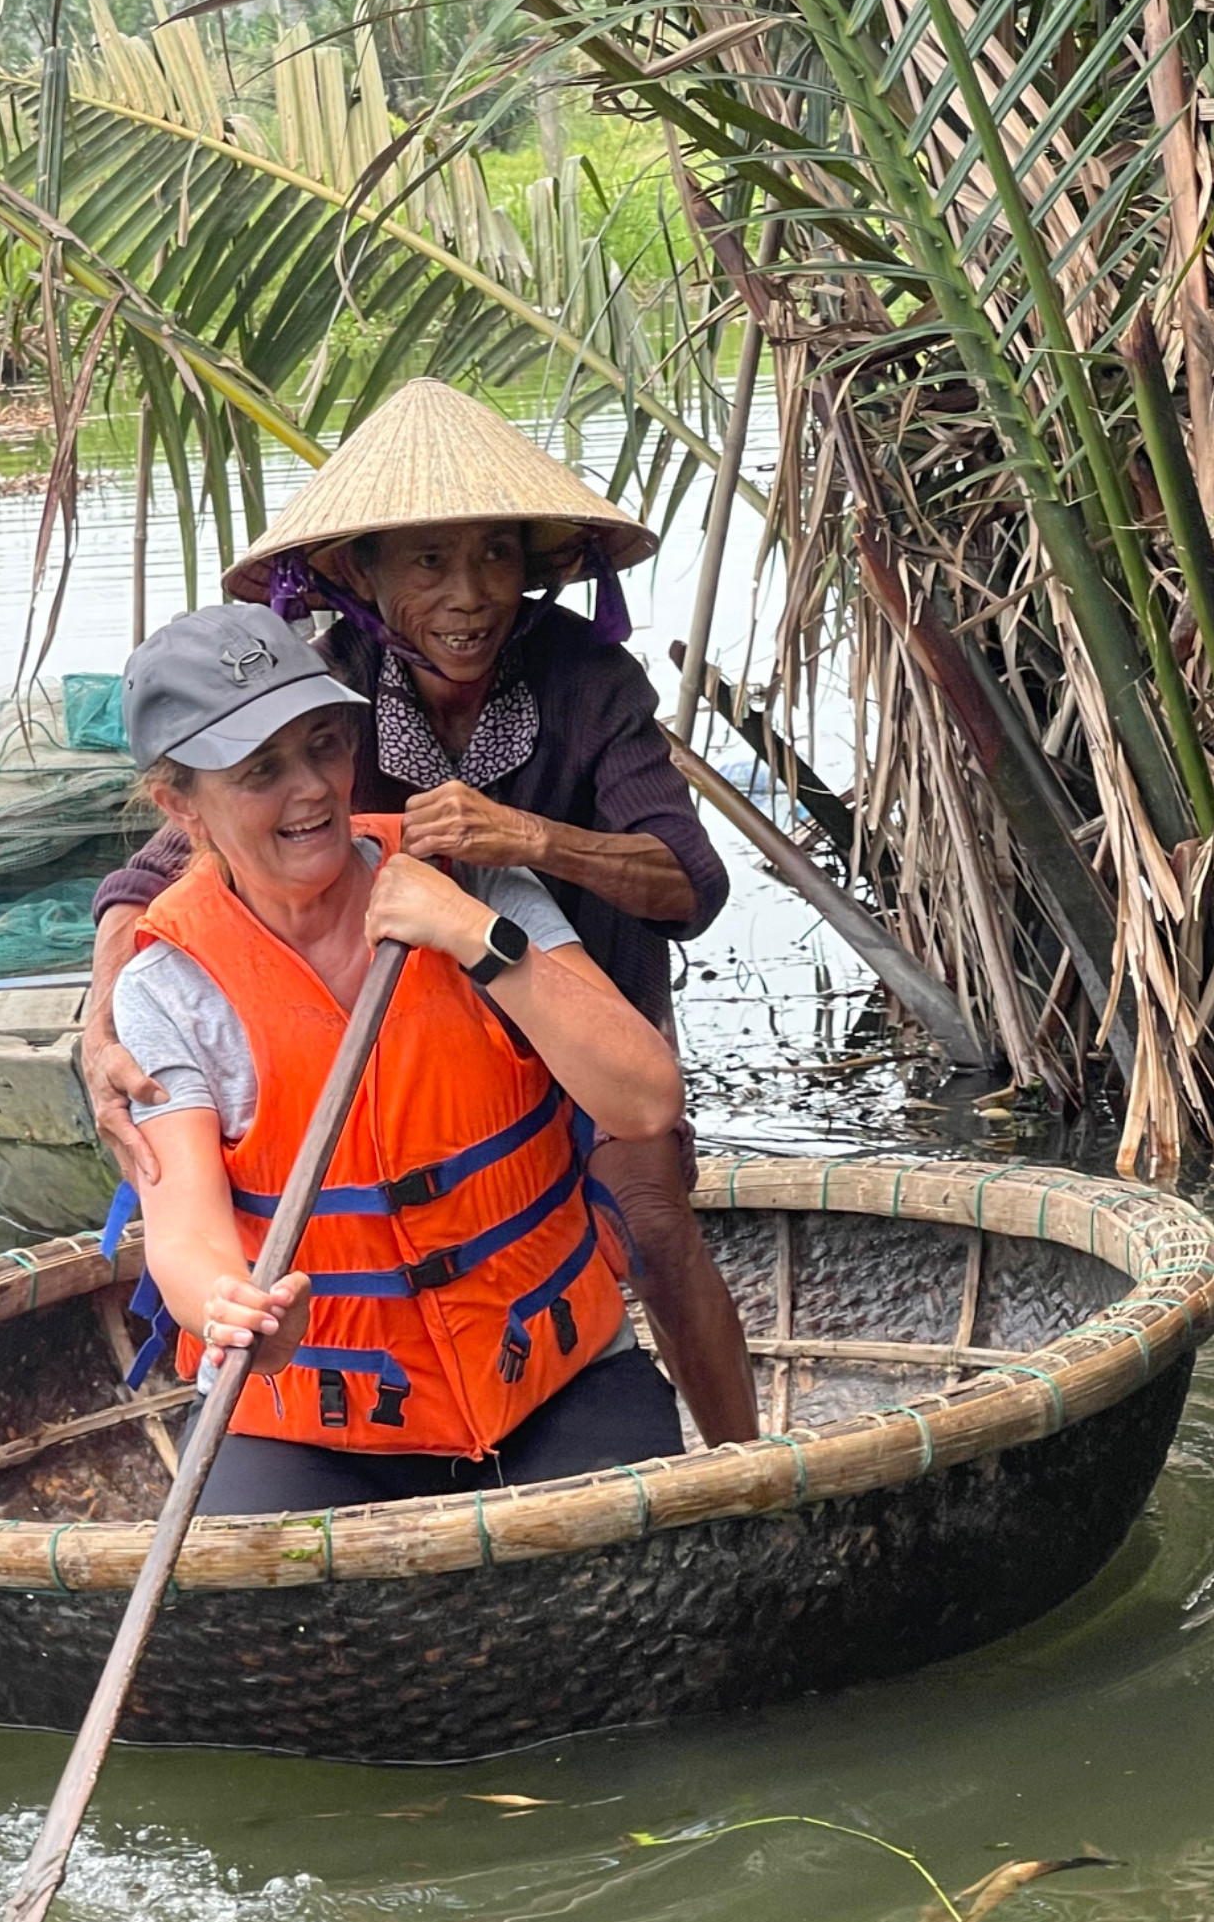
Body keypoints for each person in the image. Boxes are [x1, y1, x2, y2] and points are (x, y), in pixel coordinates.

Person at [83, 378, 760, 1446]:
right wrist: (99, 1025)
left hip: (582, 999)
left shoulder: (586, 678)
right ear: (362, 573)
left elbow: (689, 882)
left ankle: (740, 1469)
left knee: (653, 1209)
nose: (470, 594)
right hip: (424, 1028)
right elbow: (155, 875)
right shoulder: (325, 685)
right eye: (429, 563)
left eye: (494, 554)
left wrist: (524, 840)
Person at [111, 599, 689, 1515]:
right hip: (315, 1412)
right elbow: (183, 1226)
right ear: (181, 804)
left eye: (325, 746)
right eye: (262, 770)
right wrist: (230, 1310)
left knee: (639, 1580)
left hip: (548, 1372)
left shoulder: (467, 882)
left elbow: (645, 1100)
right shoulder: (168, 987)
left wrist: (476, 936)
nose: (311, 790)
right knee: (255, 1618)